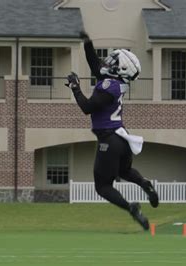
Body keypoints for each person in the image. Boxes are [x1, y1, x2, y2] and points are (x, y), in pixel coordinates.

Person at [65, 31, 159, 230]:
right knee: (124, 170)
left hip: (110, 140)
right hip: (121, 138)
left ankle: (131, 208)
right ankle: (145, 184)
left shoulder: (109, 86)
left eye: (114, 61)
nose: (108, 62)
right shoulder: (116, 82)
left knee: (102, 187)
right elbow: (94, 63)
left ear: (120, 69)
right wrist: (88, 42)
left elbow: (87, 107)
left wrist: (75, 87)